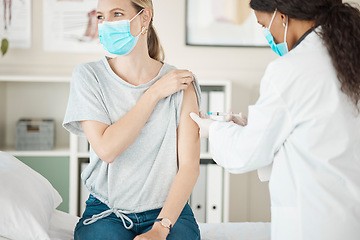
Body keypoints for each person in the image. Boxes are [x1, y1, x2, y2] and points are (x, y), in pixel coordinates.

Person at [190, 0, 360, 239]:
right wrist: (256, 129)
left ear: (281, 16)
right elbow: (320, 140)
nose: (267, 35)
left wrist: (216, 131)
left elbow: (246, 153)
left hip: (315, 224)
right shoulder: (348, 57)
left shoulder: (292, 69)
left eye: (263, 25)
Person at [63, 0, 201, 239]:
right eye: (101, 17)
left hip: (168, 211)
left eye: (117, 14)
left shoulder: (180, 83)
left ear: (144, 18)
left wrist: (161, 228)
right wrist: (154, 93)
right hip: (107, 210)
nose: (107, 24)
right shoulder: (88, 76)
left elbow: (189, 166)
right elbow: (107, 149)